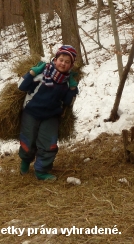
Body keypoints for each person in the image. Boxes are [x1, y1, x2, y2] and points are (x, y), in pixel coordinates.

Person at [17, 45, 79, 181]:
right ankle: (25, 163)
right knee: (28, 140)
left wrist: (73, 88)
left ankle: (41, 171)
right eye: (61, 59)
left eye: (67, 62)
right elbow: (21, 86)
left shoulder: (67, 82)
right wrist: (32, 73)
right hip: (31, 113)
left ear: (71, 65)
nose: (63, 63)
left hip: (51, 117)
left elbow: (69, 102)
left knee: (49, 144)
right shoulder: (42, 74)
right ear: (55, 59)